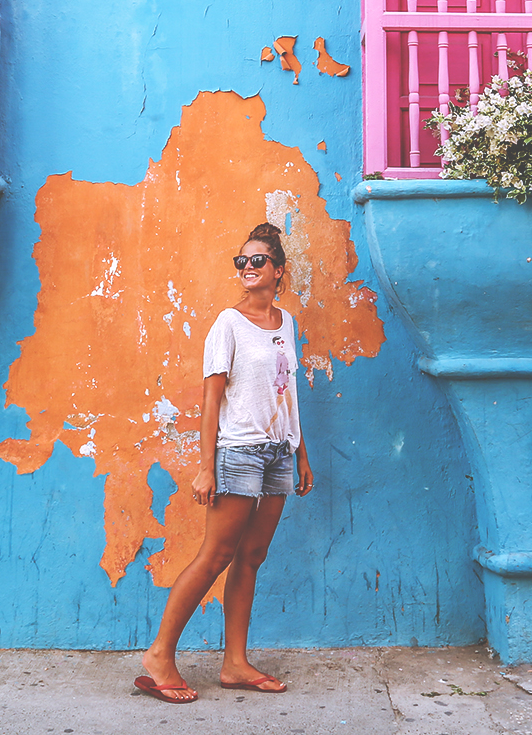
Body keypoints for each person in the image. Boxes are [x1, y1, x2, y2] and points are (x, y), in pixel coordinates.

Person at [135, 223, 314, 704]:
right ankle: (159, 655)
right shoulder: (227, 324)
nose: (248, 268)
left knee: (252, 557)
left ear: (280, 270)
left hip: (278, 452)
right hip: (238, 452)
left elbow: (287, 391)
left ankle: (234, 663)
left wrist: (300, 452)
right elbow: (211, 401)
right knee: (216, 555)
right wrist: (205, 465)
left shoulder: (287, 324)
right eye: (242, 261)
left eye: (258, 260)